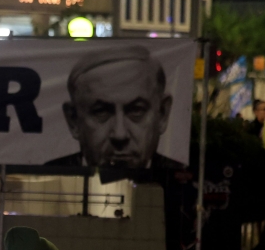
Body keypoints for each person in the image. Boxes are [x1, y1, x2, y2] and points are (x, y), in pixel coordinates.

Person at [47, 46, 181, 171]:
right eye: (101, 112)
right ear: (73, 121)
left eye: (136, 110)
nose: (119, 134)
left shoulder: (182, 184)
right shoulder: (47, 178)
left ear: (162, 114)